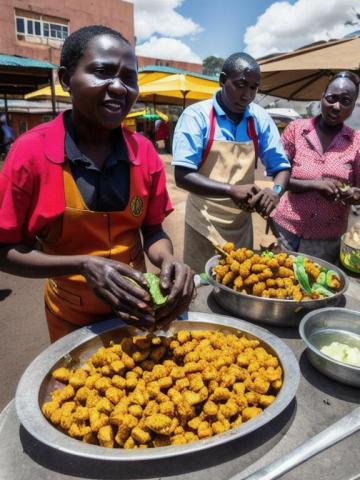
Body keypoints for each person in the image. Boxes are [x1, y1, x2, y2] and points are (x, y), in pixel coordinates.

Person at [0, 25, 194, 343]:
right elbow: (4, 249)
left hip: (141, 311)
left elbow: (154, 231)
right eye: (102, 72)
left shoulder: (144, 152)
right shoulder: (29, 154)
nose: (118, 87)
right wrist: (83, 264)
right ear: (66, 80)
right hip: (71, 318)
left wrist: (168, 260)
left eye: (129, 77)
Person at [172, 52, 291, 272]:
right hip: (203, 222)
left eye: (254, 88)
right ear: (222, 79)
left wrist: (275, 191)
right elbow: (182, 175)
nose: (247, 95)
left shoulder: (260, 119)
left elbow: (282, 167)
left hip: (241, 225)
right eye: (241, 85)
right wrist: (230, 190)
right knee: (203, 287)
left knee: (240, 281)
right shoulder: (196, 117)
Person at [273, 71, 360, 263]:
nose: (336, 106)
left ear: (353, 106)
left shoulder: (357, 143)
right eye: (332, 98)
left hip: (326, 240)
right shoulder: (296, 129)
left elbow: (359, 192)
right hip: (285, 230)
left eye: (346, 101)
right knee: (275, 285)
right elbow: (278, 175)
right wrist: (315, 184)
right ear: (322, 97)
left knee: (312, 290)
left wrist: (355, 195)